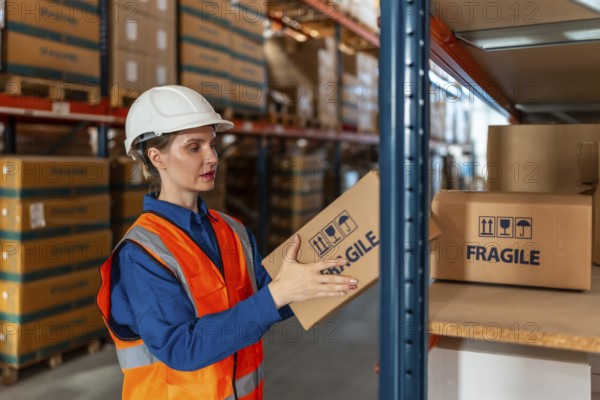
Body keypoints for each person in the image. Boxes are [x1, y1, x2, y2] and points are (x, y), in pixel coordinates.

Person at [97, 85, 358, 400]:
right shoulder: (141, 254)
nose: (211, 157)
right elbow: (181, 348)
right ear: (157, 157)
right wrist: (277, 294)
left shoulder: (233, 230)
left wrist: (334, 271)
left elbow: (268, 297)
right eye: (194, 147)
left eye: (212, 144)